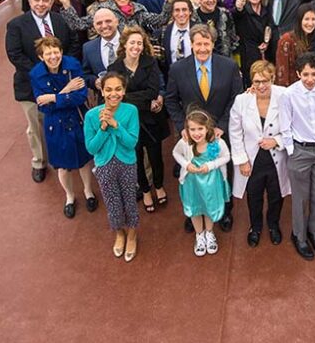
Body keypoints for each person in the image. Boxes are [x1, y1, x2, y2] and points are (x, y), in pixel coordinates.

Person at [165, 25, 244, 231]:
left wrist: (222, 126)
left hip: (219, 132)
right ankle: (195, 211)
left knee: (222, 172)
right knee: (192, 174)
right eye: (198, 43)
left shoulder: (228, 66)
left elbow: (237, 97)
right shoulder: (177, 69)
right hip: (192, 136)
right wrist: (183, 125)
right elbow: (171, 100)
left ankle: (225, 211)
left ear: (212, 44)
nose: (202, 48)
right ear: (191, 44)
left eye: (206, 43)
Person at [5, 0, 80, 182]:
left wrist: (65, 68)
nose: (41, 4)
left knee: (63, 121)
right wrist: (42, 74)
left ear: (51, 2)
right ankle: (39, 161)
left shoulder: (60, 20)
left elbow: (72, 44)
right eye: (36, 0)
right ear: (29, 1)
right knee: (36, 125)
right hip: (31, 86)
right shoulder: (16, 25)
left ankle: (65, 156)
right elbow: (15, 54)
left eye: (45, 0)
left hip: (63, 81)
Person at [30, 36, 97, 218]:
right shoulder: (36, 74)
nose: (53, 56)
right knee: (62, 166)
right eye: (48, 53)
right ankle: (69, 196)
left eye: (56, 51)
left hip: (77, 118)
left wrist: (52, 97)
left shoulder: (73, 65)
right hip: (55, 125)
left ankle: (88, 191)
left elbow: (81, 96)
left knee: (83, 160)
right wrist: (65, 91)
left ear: (61, 51)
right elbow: (43, 106)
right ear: (41, 57)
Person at [108, 25, 169, 213]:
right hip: (128, 123)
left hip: (151, 121)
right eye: (132, 42)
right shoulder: (115, 67)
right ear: (125, 44)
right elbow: (118, 95)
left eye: (140, 43)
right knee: (135, 158)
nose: (136, 46)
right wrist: (140, 100)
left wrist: (130, 99)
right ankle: (145, 191)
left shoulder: (150, 62)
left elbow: (152, 91)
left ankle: (158, 186)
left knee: (156, 157)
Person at [229, 61, 291, 247]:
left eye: (265, 80)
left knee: (276, 195)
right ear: (251, 82)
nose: (261, 86)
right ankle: (255, 227)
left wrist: (277, 141)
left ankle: (273, 225)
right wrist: (242, 160)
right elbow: (235, 131)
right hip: (252, 159)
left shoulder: (285, 96)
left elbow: (294, 126)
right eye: (257, 81)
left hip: (276, 157)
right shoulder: (242, 100)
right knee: (253, 195)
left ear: (273, 79)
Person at [278, 53, 315, 260]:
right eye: (306, 74)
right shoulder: (289, 95)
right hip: (300, 150)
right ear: (298, 73)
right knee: (300, 197)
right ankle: (299, 236)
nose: (310, 79)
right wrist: (292, 151)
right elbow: (285, 125)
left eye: (314, 74)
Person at [83, 71, 141, 262]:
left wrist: (115, 124)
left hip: (126, 163)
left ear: (124, 91)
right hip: (104, 164)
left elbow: (131, 142)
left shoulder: (131, 111)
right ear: (102, 90)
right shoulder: (92, 116)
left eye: (117, 89)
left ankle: (132, 234)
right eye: (108, 90)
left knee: (129, 200)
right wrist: (103, 128)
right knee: (112, 201)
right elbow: (92, 147)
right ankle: (119, 233)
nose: (113, 94)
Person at [173, 109, 231, 256]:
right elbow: (176, 153)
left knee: (209, 206)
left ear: (208, 128)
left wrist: (211, 165)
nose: (196, 133)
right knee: (195, 207)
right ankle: (199, 234)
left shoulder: (216, 142)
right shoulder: (185, 143)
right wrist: (186, 165)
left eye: (200, 129)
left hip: (211, 182)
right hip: (192, 182)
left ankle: (209, 233)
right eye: (192, 129)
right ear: (187, 130)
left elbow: (226, 157)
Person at [275, 3, 315, 86]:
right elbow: (282, 70)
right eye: (306, 19)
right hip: (292, 89)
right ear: (299, 20)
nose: (310, 23)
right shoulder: (287, 40)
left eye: (313, 19)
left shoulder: (314, 39)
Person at [81, 8, 121, 93]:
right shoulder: (88, 48)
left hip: (134, 98)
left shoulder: (131, 42)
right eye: (99, 23)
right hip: (105, 101)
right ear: (94, 26)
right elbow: (85, 74)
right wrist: (94, 82)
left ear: (117, 22)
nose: (104, 26)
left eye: (108, 21)